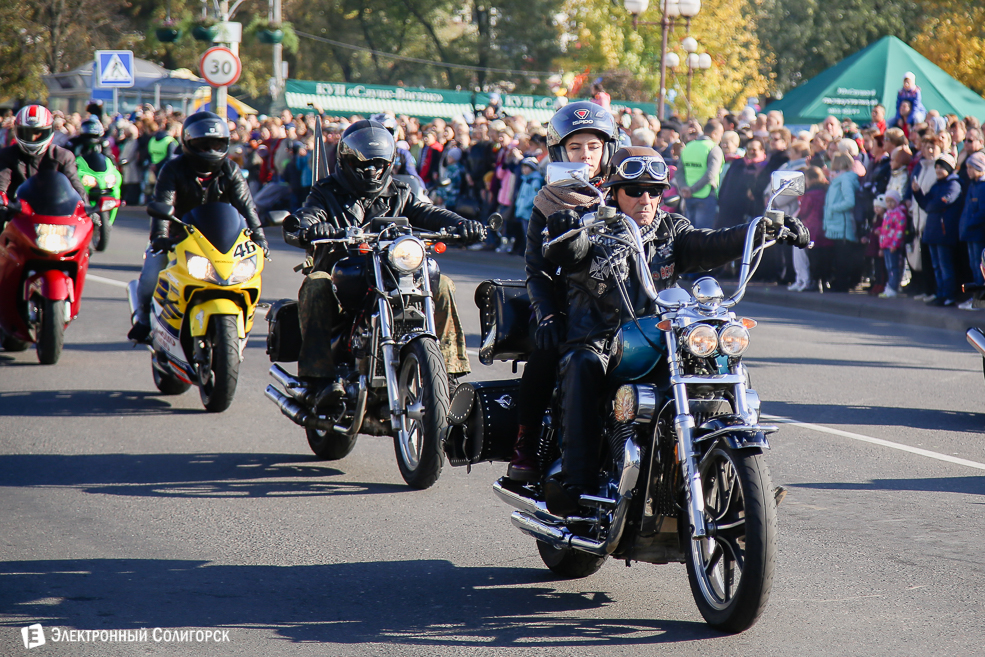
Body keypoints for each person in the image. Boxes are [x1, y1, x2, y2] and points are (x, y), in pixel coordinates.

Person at [539, 146, 809, 514]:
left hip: (663, 335)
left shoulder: (672, 229)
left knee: (720, 358)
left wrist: (761, 228)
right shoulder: (593, 225)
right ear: (615, 191)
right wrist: (564, 229)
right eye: (635, 190)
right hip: (601, 336)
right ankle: (578, 484)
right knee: (583, 364)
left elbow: (712, 243)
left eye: (654, 190)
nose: (646, 199)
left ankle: (747, 481)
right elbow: (566, 252)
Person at [283, 120, 484, 406]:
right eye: (363, 162)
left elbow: (427, 212)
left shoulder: (399, 193)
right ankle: (318, 379)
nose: (372, 169)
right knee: (316, 284)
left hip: (390, 275)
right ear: (346, 160)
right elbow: (308, 214)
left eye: (379, 163)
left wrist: (462, 224)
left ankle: (447, 374)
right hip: (342, 279)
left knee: (443, 284)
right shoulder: (326, 191)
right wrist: (310, 226)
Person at [507, 100, 618, 482]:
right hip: (567, 302)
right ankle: (527, 442)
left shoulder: (629, 189)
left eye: (593, 146)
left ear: (607, 149)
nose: (585, 155)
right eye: (575, 147)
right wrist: (548, 313)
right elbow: (536, 269)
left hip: (622, 300)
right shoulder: (548, 200)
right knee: (546, 350)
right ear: (560, 152)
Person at [127, 112, 268, 342]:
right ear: (188, 143)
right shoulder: (172, 169)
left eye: (216, 144)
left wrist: (260, 237)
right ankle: (144, 319)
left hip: (220, 240)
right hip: (178, 237)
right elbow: (163, 204)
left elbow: (247, 206)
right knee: (151, 277)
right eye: (203, 145)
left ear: (225, 144)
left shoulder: (230, 170)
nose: (210, 151)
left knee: (243, 276)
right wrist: (160, 237)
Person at [0, 105, 90, 215]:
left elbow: (75, 186)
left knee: (84, 228)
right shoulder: (7, 154)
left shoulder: (62, 156)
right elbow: (1, 183)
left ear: (49, 130)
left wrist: (86, 208)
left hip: (56, 213)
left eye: (38, 132)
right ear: (17, 131)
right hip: (17, 213)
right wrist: (3, 203)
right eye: (27, 133)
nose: (32, 138)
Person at [912, 153, 962, 307]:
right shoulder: (936, 185)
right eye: (937, 167)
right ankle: (940, 294)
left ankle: (948, 296)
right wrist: (917, 192)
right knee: (936, 266)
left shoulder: (954, 185)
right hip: (932, 232)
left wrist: (930, 203)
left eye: (942, 167)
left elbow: (937, 204)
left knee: (945, 266)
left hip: (944, 233)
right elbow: (927, 204)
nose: (939, 170)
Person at [675, 119, 724, 229]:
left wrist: (684, 188)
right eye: (721, 134)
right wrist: (691, 189)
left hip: (687, 195)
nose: (721, 138)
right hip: (705, 196)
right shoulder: (714, 148)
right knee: (703, 234)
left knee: (688, 232)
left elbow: (679, 172)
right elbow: (710, 174)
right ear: (714, 133)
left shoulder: (689, 146)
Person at [958, 152, 985, 304]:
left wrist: (970, 223)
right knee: (973, 266)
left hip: (977, 234)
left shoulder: (983, 187)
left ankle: (981, 300)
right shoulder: (972, 186)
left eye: (971, 167)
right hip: (969, 233)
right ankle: (977, 298)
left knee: (980, 267)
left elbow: (982, 211)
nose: (967, 171)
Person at [879, 190, 907, 298]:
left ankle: (893, 287)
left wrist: (894, 244)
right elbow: (884, 230)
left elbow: (899, 231)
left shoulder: (899, 215)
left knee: (894, 267)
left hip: (892, 246)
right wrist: (881, 244)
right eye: (887, 201)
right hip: (886, 245)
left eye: (892, 201)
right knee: (888, 267)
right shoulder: (887, 214)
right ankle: (890, 286)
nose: (889, 204)